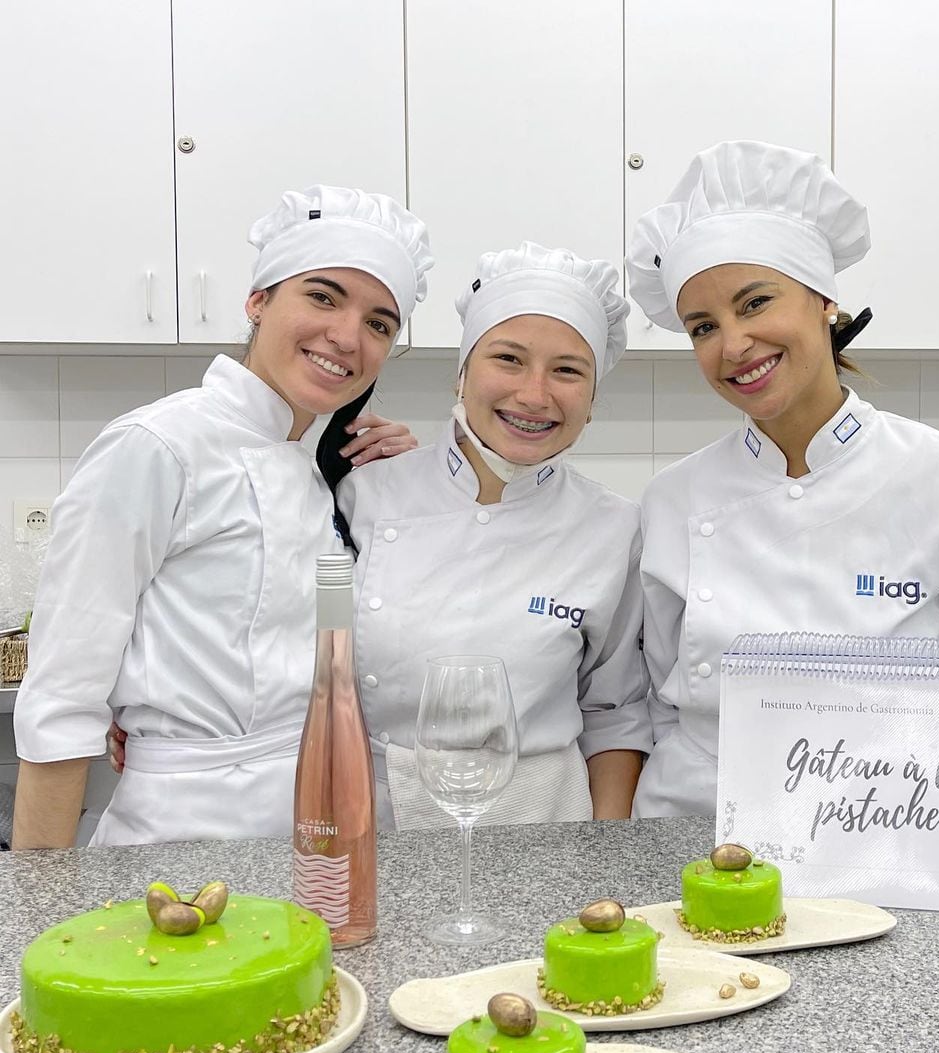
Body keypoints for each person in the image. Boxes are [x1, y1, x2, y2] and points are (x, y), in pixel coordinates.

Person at [625, 140, 939, 817]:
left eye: (755, 303)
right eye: (702, 327)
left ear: (825, 301)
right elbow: (653, 697)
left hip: (887, 829)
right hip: (700, 833)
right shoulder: (672, 500)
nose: (732, 346)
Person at [13, 185, 432, 848]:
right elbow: (61, 700)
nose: (347, 336)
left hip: (322, 832)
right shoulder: (156, 446)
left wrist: (407, 486)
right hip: (180, 838)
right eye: (322, 296)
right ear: (258, 300)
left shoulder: (321, 469)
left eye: (380, 322)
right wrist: (37, 908)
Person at [336, 242, 652, 829]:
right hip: (373, 822)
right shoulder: (363, 494)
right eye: (508, 359)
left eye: (567, 370)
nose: (534, 395)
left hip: (547, 825)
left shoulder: (615, 527)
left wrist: (608, 853)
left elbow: (614, 710)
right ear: (461, 375)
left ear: (592, 399)